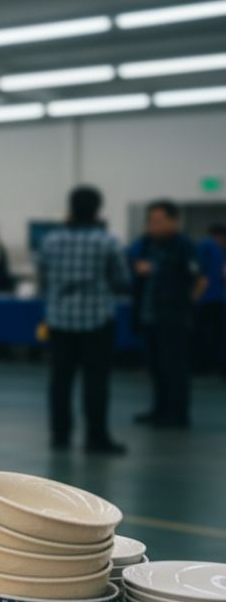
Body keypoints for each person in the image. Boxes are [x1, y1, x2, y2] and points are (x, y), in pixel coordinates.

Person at [37, 186, 129, 453]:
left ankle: (60, 436)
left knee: (60, 381)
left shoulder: (51, 241)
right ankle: (96, 438)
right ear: (97, 211)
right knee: (96, 383)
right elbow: (122, 280)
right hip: (97, 322)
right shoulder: (107, 242)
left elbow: (43, 279)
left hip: (59, 322)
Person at [129, 201, 205, 428]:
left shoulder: (183, 245)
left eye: (159, 221)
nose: (154, 226)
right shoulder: (147, 244)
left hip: (174, 316)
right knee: (156, 367)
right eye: (151, 221)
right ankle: (159, 409)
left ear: (174, 221)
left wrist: (185, 305)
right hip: (150, 315)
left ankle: (177, 414)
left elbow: (199, 280)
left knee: (175, 367)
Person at [194, 224, 226, 377]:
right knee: (215, 333)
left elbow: (200, 273)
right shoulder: (214, 248)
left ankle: (202, 365)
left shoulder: (205, 246)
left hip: (206, 298)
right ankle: (212, 364)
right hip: (216, 297)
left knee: (203, 333)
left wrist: (195, 296)